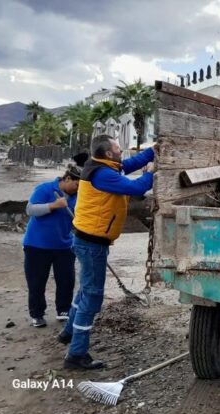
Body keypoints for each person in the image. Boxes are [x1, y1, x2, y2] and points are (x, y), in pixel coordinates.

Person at [59, 135, 155, 370]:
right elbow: (137, 187)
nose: (122, 152)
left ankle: (68, 333)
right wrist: (153, 172)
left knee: (85, 290)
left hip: (86, 240)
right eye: (118, 149)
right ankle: (76, 354)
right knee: (92, 297)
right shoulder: (102, 175)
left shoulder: (103, 166)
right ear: (109, 154)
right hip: (92, 244)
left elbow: (129, 165)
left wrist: (154, 150)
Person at [23, 165, 81, 327]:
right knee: (36, 282)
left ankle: (63, 310)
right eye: (76, 185)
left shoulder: (78, 196)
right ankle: (37, 314)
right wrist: (53, 205)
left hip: (64, 246)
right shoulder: (45, 189)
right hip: (37, 245)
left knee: (66, 280)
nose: (77, 189)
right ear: (68, 178)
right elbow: (30, 209)